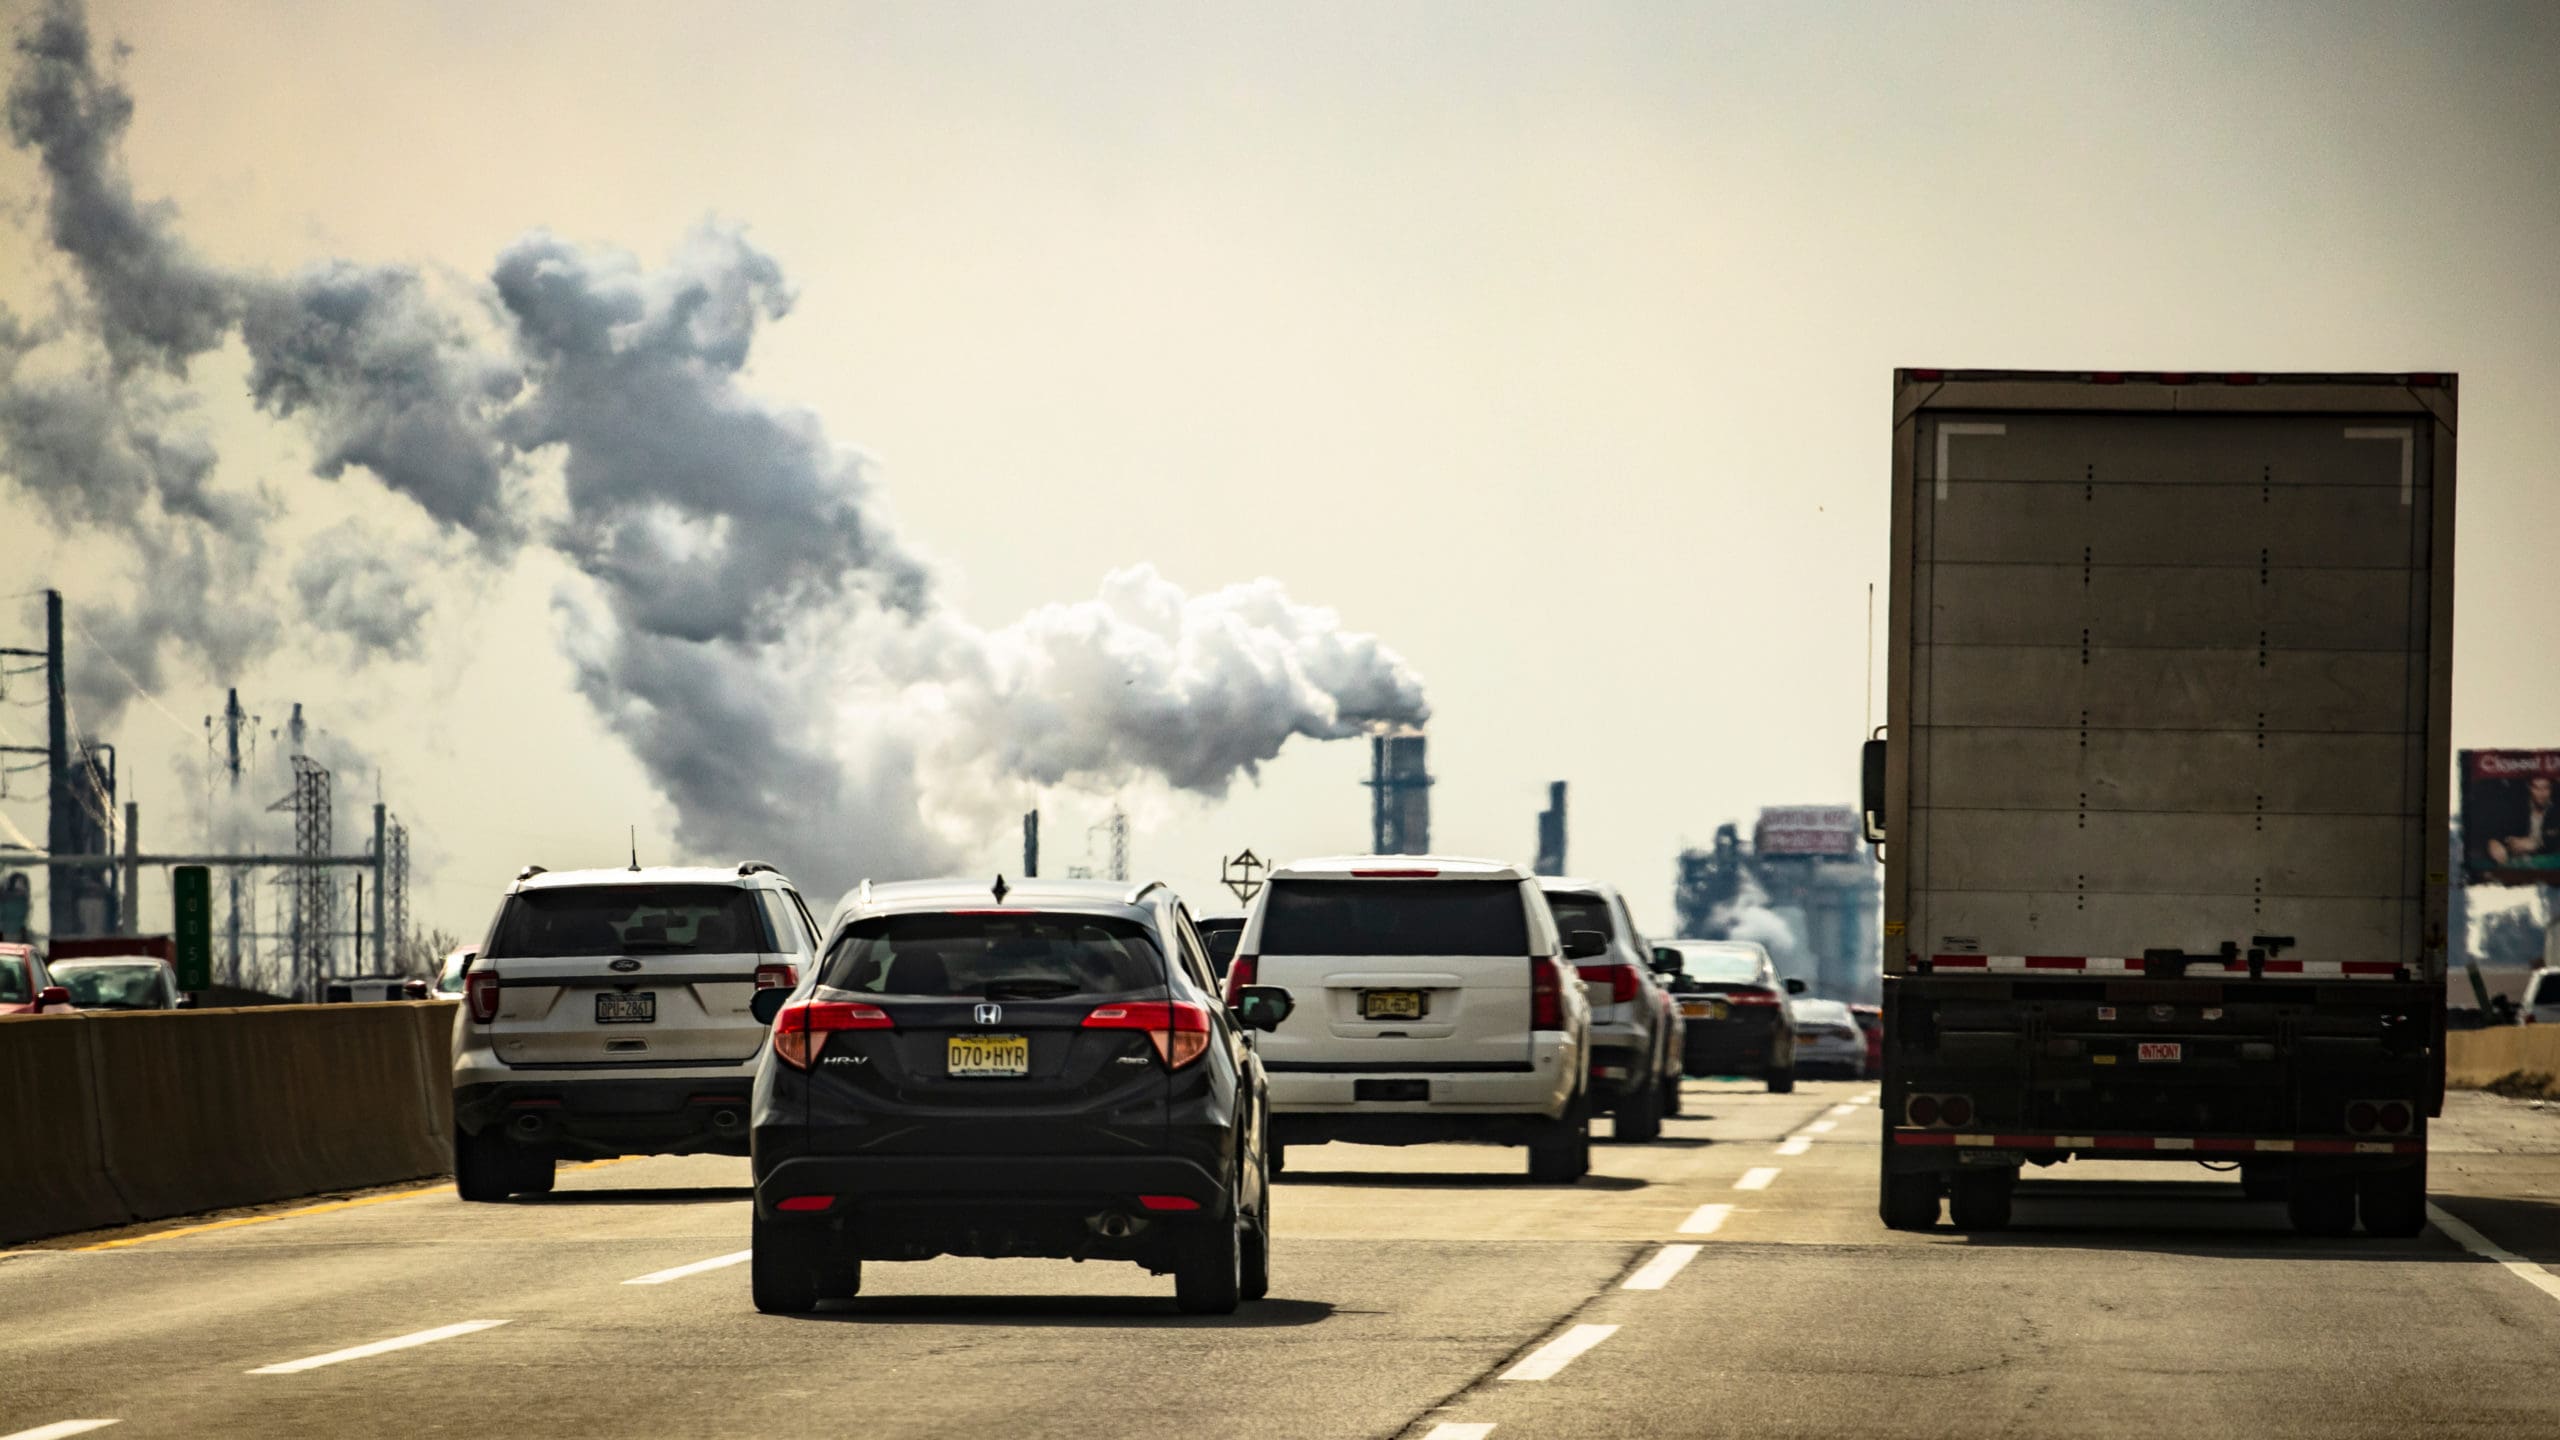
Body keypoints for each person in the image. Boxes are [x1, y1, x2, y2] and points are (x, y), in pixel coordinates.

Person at [2487, 776, 2559, 865]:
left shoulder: (2557, 810)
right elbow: (2500, 829)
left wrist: (2537, 844)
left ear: (2551, 789)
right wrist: (2493, 841)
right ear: (2529, 788)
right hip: (2519, 863)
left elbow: (2556, 839)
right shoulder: (2518, 807)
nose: (2542, 793)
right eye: (2536, 788)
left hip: (2547, 864)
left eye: (2546, 788)